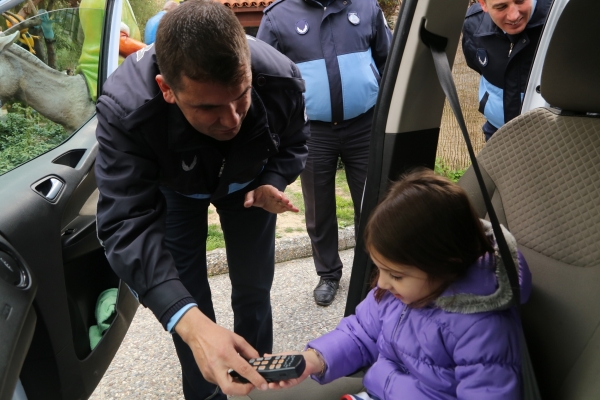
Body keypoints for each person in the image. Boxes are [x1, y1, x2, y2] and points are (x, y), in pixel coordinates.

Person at [94, 1, 310, 399]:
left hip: (250, 190)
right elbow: (125, 220)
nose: (232, 120)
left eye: (241, 96)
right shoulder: (126, 108)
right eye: (208, 107)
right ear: (166, 89)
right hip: (177, 191)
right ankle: (205, 392)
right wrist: (189, 322)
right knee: (188, 304)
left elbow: (295, 141)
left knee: (254, 288)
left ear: (250, 71)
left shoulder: (280, 78)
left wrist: (273, 179)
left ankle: (253, 385)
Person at [268, 169, 532, 399]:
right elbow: (360, 333)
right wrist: (314, 360)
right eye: (380, 269)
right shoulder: (398, 294)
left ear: (444, 264)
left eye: (395, 275)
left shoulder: (482, 329)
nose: (382, 283)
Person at [257, 0, 392, 307]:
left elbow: (388, 61)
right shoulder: (277, 17)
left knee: (372, 203)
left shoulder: (367, 7)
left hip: (365, 125)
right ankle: (328, 273)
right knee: (319, 208)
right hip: (312, 131)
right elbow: (265, 79)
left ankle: (375, 270)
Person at [462, 0, 550, 141]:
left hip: (551, 134)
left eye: (520, 1)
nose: (514, 16)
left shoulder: (563, 19)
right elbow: (476, 65)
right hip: (496, 131)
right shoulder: (472, 24)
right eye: (501, 7)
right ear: (483, 4)